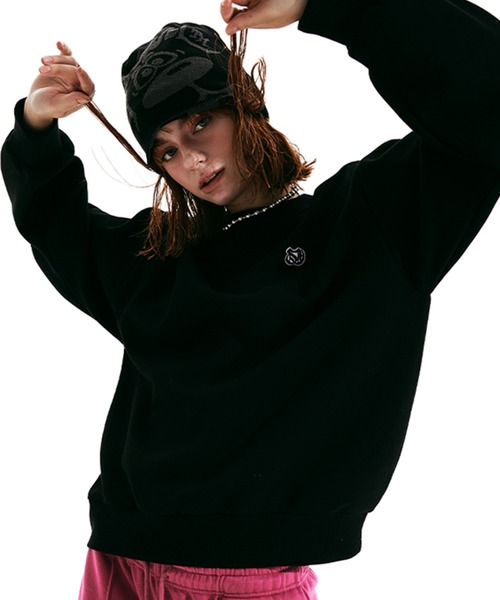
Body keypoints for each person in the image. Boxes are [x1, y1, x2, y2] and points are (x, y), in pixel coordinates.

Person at [2, 0, 500, 598]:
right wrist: (35, 124)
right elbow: (54, 223)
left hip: (251, 581)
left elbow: (486, 94)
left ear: (244, 106)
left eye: (199, 122)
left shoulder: (369, 227)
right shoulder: (158, 263)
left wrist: (330, 4)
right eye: (165, 150)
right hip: (118, 565)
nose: (191, 158)